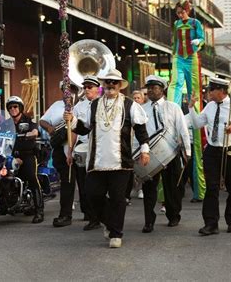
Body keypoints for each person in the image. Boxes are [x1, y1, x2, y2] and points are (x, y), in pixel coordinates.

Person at [65, 69, 150, 248]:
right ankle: (109, 224)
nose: (111, 85)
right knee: (92, 194)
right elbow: (84, 128)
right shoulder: (94, 105)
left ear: (119, 85)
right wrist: (72, 121)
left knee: (118, 198)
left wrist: (145, 149)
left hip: (121, 162)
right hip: (97, 161)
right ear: (103, 85)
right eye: (108, 82)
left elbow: (141, 130)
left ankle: (116, 234)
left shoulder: (130, 105)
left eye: (114, 82)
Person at [188, 78, 231, 235]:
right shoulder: (209, 106)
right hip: (213, 150)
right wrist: (191, 108)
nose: (209, 93)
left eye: (212, 90)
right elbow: (197, 124)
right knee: (211, 187)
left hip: (230, 150)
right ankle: (210, 223)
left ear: (221, 91)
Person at [139, 75, 191, 233]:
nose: (150, 91)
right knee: (149, 188)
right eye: (148, 88)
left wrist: (187, 150)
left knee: (171, 187)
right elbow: (139, 132)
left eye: (154, 88)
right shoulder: (142, 109)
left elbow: (183, 129)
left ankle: (173, 215)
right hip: (149, 153)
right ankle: (149, 220)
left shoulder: (173, 107)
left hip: (171, 152)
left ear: (162, 90)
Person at [167, 0, 206, 203]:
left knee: (193, 88)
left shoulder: (194, 23)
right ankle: (171, 105)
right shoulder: (176, 25)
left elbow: (202, 38)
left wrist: (197, 43)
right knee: (175, 83)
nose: (180, 15)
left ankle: (195, 105)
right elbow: (174, 41)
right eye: (178, 13)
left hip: (192, 57)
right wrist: (174, 53)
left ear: (187, 11)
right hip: (179, 57)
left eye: (182, 12)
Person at [40, 83, 80, 228]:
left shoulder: (81, 106)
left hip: (78, 147)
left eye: (70, 90)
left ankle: (91, 214)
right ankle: (65, 214)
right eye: (65, 91)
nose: (67, 93)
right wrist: (49, 127)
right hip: (60, 147)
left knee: (84, 183)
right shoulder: (56, 105)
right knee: (67, 182)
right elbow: (42, 120)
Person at [69, 76, 101, 231]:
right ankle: (90, 215)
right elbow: (75, 131)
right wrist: (70, 150)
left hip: (99, 146)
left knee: (98, 184)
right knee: (84, 184)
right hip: (82, 145)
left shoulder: (103, 104)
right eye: (85, 87)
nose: (87, 89)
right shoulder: (78, 107)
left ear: (97, 88)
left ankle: (100, 214)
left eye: (90, 87)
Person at [7, 96, 44, 224]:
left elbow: (35, 130)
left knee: (32, 178)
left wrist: (31, 133)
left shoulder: (27, 121)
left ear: (20, 108)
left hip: (27, 155)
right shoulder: (6, 123)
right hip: (11, 156)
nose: (13, 109)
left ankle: (39, 211)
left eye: (15, 106)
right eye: (10, 107)